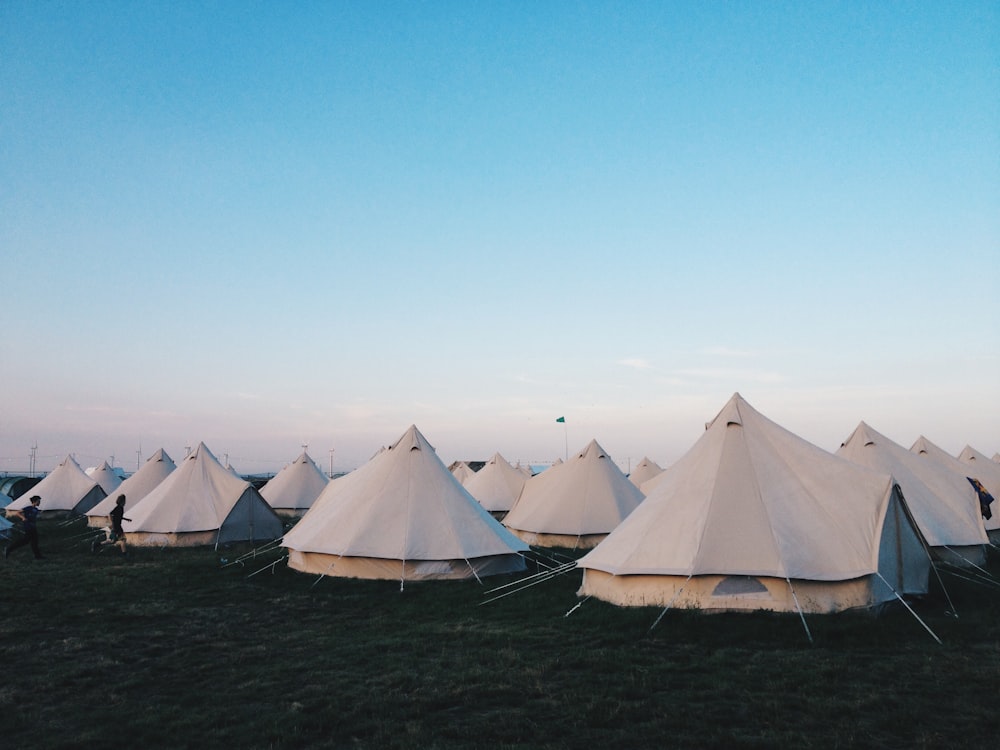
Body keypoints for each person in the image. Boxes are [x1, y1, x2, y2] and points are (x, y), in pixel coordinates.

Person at [4, 495, 43, 560]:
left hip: (33, 527)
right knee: (25, 541)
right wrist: (23, 518)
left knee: (34, 541)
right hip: (28, 527)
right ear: (34, 502)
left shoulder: (36, 509)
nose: (39, 503)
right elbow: (18, 513)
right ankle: (9, 549)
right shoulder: (28, 508)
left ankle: (38, 556)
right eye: (38, 501)